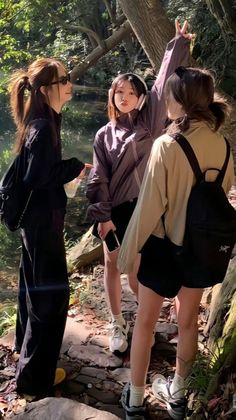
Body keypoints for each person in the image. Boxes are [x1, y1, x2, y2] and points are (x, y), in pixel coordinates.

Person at [118, 66, 234, 419]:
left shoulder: (166, 145)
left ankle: (135, 400)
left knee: (145, 324)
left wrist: (126, 257)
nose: (164, 100)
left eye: (169, 95)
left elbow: (148, 207)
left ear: (181, 101)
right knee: (187, 324)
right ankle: (179, 398)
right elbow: (222, 194)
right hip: (201, 249)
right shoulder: (223, 144)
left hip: (163, 247)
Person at [86, 20, 192, 354]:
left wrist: (177, 43)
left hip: (145, 206)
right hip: (114, 209)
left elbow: (162, 83)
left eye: (132, 93)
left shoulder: (150, 121)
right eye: (120, 92)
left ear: (142, 98)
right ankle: (117, 323)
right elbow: (97, 176)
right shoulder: (104, 134)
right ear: (112, 95)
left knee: (139, 270)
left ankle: (146, 319)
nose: (125, 97)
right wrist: (102, 216)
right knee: (112, 264)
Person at [9, 58, 86, 396]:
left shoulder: (44, 119)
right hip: (42, 225)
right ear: (45, 89)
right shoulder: (42, 126)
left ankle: (25, 355)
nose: (70, 83)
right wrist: (74, 166)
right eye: (63, 79)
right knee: (51, 299)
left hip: (36, 224)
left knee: (33, 289)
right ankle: (33, 379)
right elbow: (37, 176)